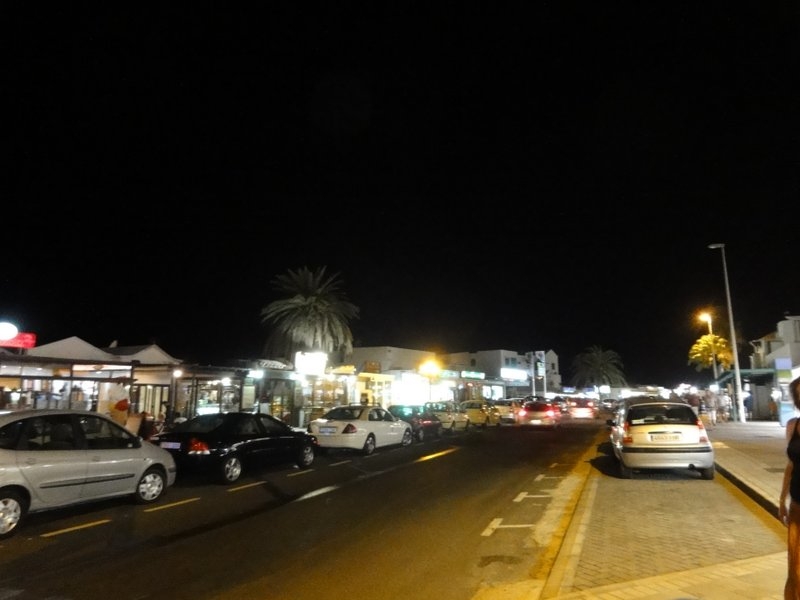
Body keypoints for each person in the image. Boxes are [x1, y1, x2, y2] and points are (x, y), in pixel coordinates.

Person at [778, 376, 800, 599]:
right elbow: (791, 465)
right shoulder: (793, 426)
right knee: (795, 569)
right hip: (797, 507)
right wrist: (781, 499)